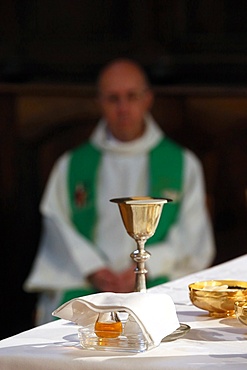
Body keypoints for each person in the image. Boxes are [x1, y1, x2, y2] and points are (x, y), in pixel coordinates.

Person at [24, 58, 216, 325]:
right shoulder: (72, 165)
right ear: (99, 102)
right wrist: (94, 269)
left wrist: (144, 267)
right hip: (87, 282)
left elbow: (191, 236)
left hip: (156, 278)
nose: (123, 108)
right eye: (113, 98)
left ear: (148, 99)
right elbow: (58, 222)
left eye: (131, 96)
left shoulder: (183, 164)